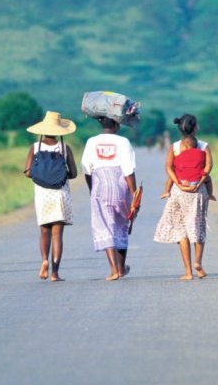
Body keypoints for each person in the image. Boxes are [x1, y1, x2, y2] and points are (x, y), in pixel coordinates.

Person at [154, 114, 212, 279]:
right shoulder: (204, 146)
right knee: (198, 226)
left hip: (179, 191)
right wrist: (201, 181)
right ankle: (198, 262)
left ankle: (188, 272)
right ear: (195, 128)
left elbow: (168, 168)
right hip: (198, 191)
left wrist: (177, 184)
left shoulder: (174, 147)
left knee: (181, 229)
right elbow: (208, 167)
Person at [81, 116, 138, 281]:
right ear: (117, 124)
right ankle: (121, 268)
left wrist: (92, 189)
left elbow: (86, 168)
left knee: (105, 226)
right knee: (121, 224)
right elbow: (128, 170)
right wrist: (134, 194)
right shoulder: (124, 142)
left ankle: (114, 270)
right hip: (121, 186)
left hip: (100, 185)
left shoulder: (92, 142)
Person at [23, 111, 79, 282]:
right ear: (59, 131)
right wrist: (60, 176)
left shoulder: (35, 147)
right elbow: (74, 174)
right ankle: (55, 273)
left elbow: (27, 172)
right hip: (60, 193)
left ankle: (44, 260)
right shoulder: (64, 148)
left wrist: (42, 175)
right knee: (57, 235)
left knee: (44, 231)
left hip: (42, 194)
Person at [160, 133, 216, 201]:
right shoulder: (201, 153)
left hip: (182, 181)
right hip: (196, 181)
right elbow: (205, 166)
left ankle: (166, 192)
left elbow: (172, 166)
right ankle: (210, 194)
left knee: (171, 177)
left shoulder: (180, 155)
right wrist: (199, 181)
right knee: (208, 179)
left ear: (184, 147)